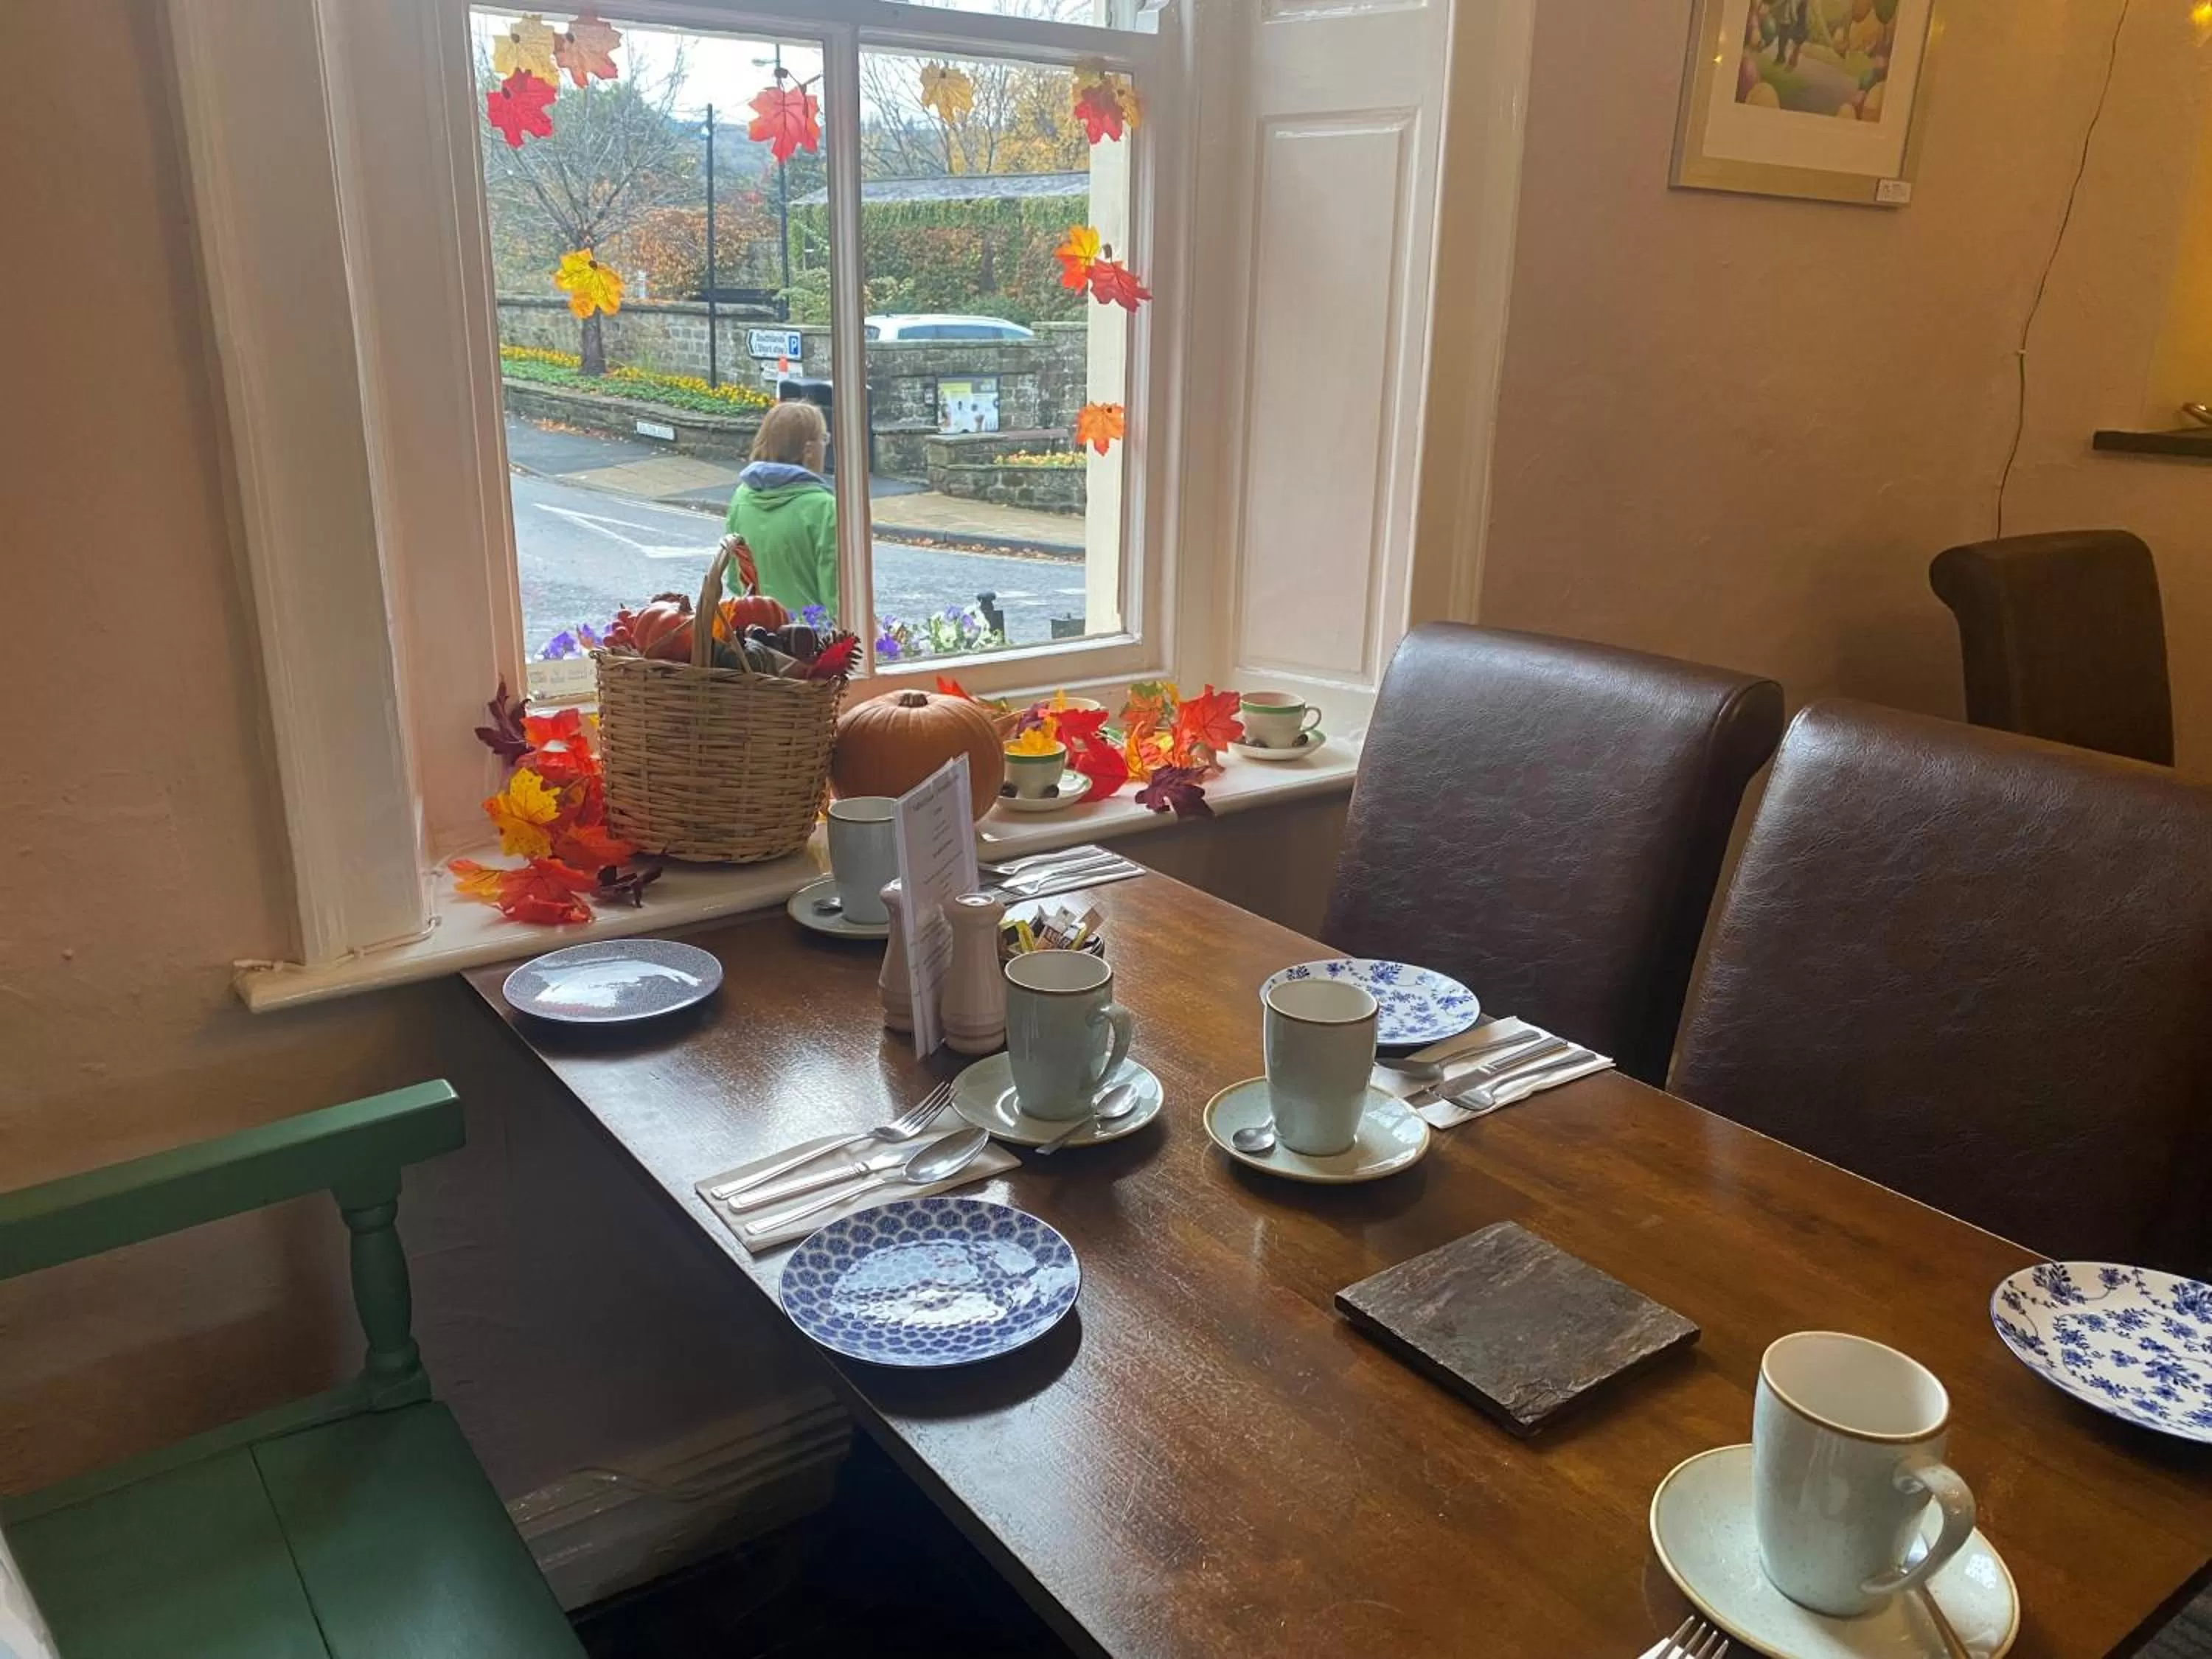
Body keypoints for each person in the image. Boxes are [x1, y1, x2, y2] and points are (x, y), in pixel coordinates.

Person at [726, 400, 838, 620]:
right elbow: (837, 595)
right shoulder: (824, 507)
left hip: (758, 639)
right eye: (824, 439)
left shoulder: (741, 497)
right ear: (809, 450)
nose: (826, 446)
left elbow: (734, 580)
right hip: (811, 645)